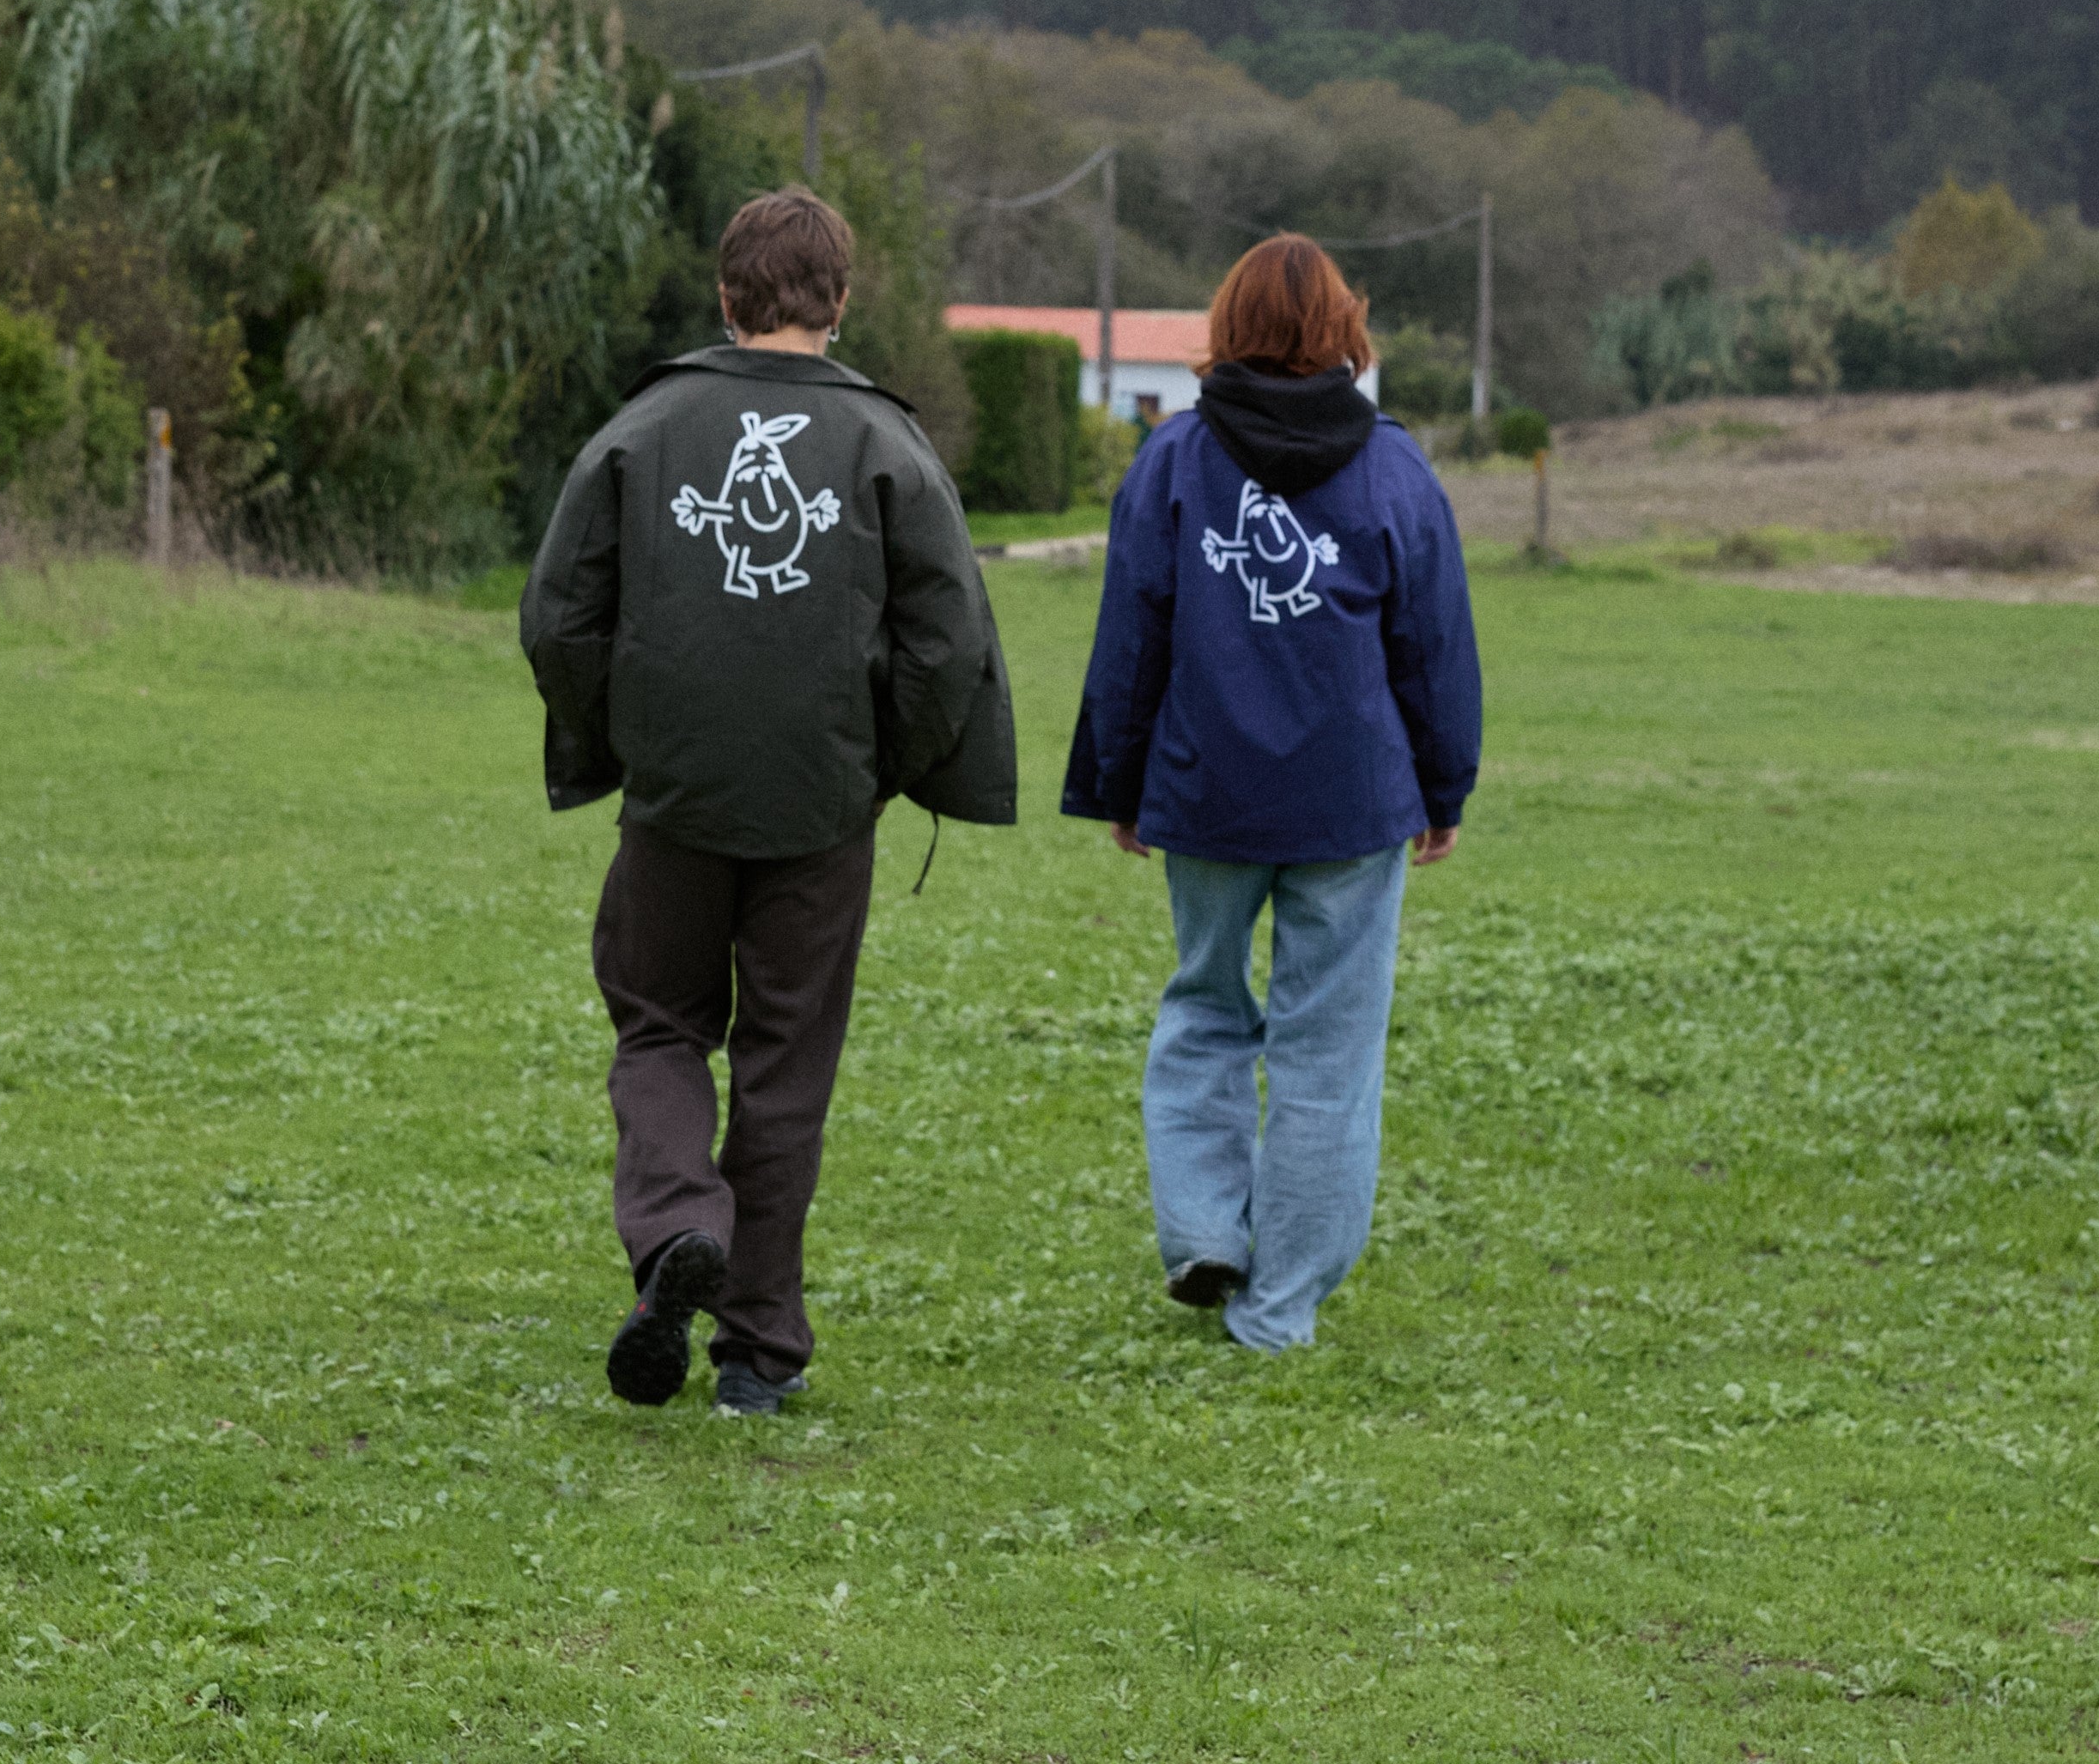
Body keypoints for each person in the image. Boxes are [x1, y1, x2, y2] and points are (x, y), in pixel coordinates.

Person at [521, 186, 1016, 1415]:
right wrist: (877, 764)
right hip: (822, 810)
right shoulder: (891, 448)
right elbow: (946, 646)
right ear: (839, 302)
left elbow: (558, 617)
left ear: (726, 295)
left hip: (675, 800)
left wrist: (627, 739)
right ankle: (756, 1353)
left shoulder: (640, 431)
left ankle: (682, 1220)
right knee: (787, 1068)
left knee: (656, 1024)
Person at [1062, 234, 1481, 1351]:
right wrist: (1446, 788)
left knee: (1204, 1006)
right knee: (1327, 1049)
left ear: (1227, 324)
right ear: (1344, 328)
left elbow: (1130, 636)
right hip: (1354, 803)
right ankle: (1278, 1310)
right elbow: (1433, 649)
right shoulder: (1396, 470)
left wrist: (1119, 775)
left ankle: (1204, 1229)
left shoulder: (1171, 462)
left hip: (1204, 792)